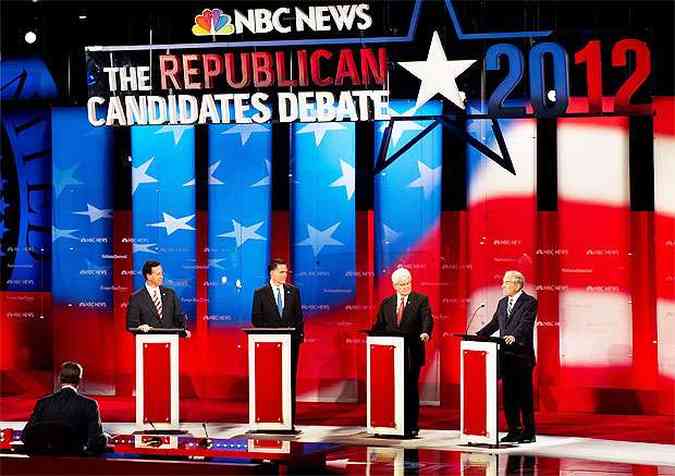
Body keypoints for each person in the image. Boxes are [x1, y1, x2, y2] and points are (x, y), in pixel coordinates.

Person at [371, 267, 433, 438]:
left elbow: (427, 319)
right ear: (394, 285)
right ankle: (390, 422)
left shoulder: (421, 300)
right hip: (390, 356)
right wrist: (371, 337)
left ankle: (412, 425)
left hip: (412, 353)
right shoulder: (387, 303)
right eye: (402, 284)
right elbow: (379, 325)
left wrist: (426, 332)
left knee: (410, 389)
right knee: (391, 389)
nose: (406, 287)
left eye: (408, 283)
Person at [476, 270, 537, 443]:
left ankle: (529, 432)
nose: (502, 285)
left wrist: (515, 336)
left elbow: (526, 325)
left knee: (524, 396)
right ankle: (514, 430)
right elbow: (495, 323)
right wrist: (478, 335)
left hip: (522, 357)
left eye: (506, 282)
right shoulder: (502, 303)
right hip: (505, 357)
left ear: (517, 284)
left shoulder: (529, 302)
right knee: (509, 396)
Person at [251, 258, 304, 424]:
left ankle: (289, 420)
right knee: (270, 380)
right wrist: (274, 332)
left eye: (286, 272)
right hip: (269, 345)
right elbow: (256, 318)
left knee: (289, 380)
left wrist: (297, 336)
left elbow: (298, 317)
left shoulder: (293, 291)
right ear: (271, 273)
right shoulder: (260, 293)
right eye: (281, 272)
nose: (285, 275)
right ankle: (269, 417)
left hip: (291, 344)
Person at [22, 362, 107, 455]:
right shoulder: (89, 404)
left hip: (44, 464)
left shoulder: (43, 403)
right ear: (79, 381)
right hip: (75, 463)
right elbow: (95, 442)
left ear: (59, 379)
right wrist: (105, 438)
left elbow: (25, 436)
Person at [126, 260, 190, 337]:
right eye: (158, 274)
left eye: (162, 273)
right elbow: (131, 325)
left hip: (170, 342)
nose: (161, 276)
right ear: (148, 276)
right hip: (147, 343)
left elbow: (179, 317)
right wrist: (140, 327)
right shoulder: (136, 298)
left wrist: (184, 331)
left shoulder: (170, 294)